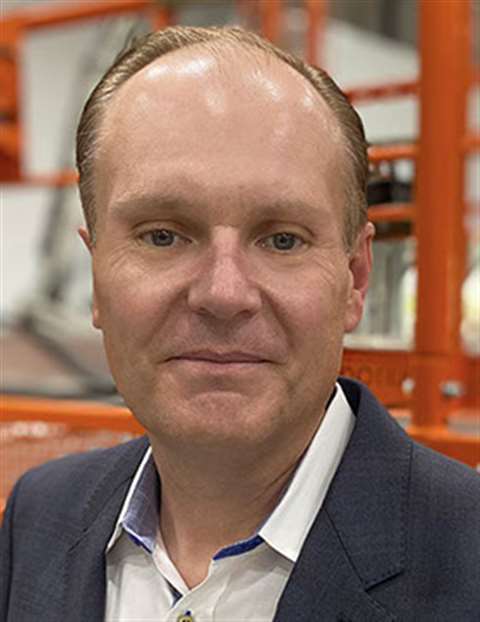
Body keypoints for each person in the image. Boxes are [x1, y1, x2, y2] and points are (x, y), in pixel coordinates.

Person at [1, 26, 479, 622]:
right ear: (98, 277)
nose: (223, 294)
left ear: (355, 278)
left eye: (282, 240)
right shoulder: (39, 517)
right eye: (162, 236)